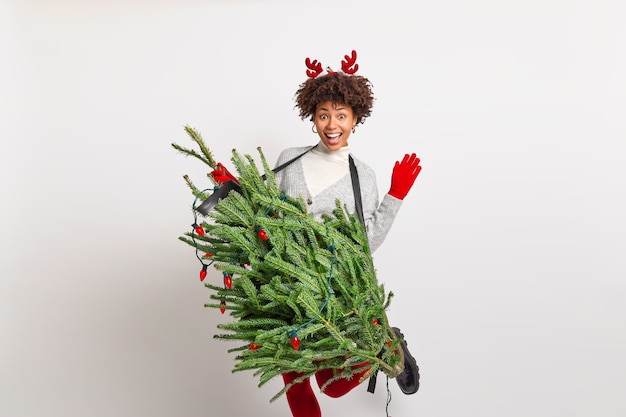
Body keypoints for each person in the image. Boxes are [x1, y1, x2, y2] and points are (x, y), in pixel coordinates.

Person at [271, 50, 422, 417]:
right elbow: (266, 214)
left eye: (341, 115)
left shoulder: (362, 175)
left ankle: (388, 348)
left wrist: (394, 197)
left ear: (355, 118)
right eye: (324, 115)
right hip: (286, 287)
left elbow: (366, 241)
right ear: (313, 117)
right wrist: (233, 194)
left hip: (334, 292)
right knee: (293, 378)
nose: (332, 124)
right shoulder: (289, 159)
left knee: (331, 385)